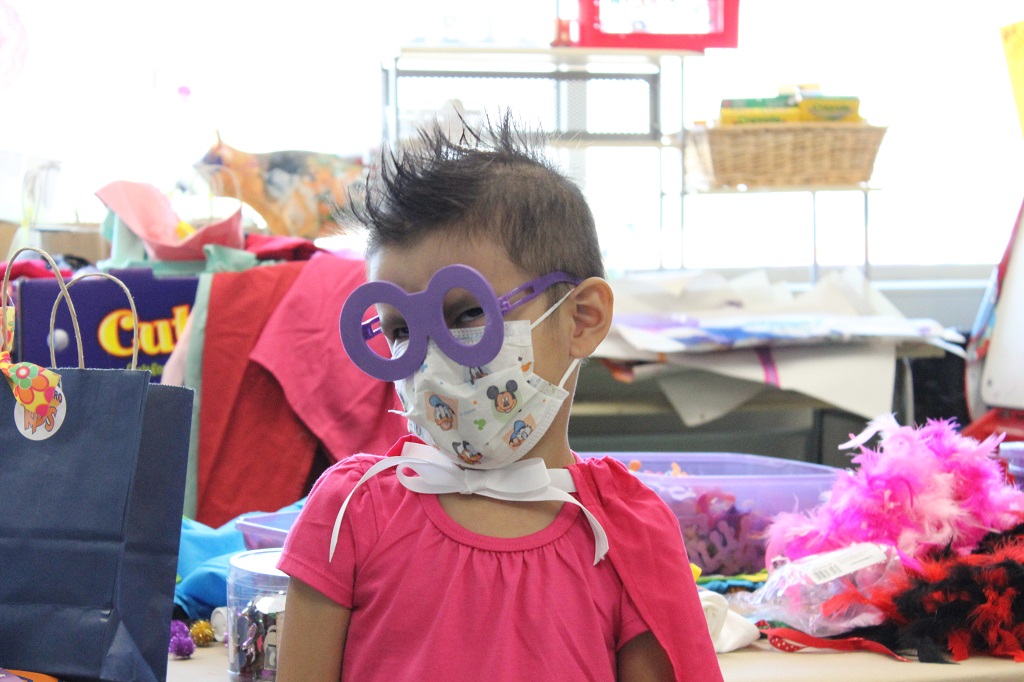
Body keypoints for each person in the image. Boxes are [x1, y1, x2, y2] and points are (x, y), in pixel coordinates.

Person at [275, 113, 723, 681]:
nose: (432, 358)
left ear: (582, 320)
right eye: (402, 330)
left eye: (467, 315)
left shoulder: (625, 532)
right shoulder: (349, 513)